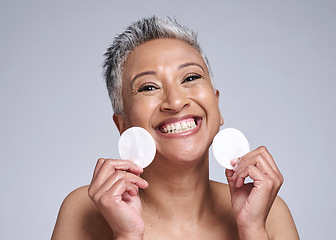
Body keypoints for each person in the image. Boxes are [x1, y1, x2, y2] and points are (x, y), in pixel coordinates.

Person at [51, 16, 299, 240]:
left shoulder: (270, 213)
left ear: (217, 106)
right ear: (123, 124)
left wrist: (252, 229)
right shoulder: (84, 211)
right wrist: (127, 235)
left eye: (190, 78)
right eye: (149, 87)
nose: (176, 102)